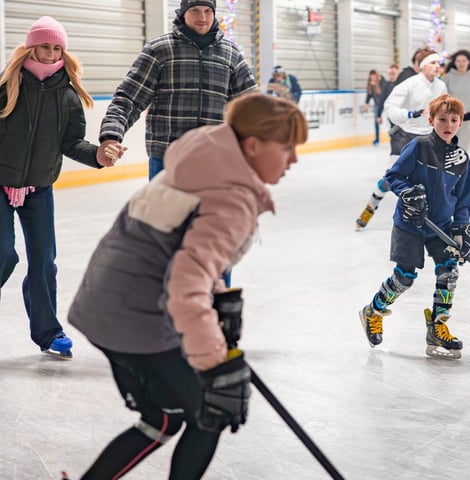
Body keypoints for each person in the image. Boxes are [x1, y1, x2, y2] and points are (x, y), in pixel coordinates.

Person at [67, 94, 308, 479]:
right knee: (209, 412)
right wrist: (216, 365)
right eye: (287, 148)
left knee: (162, 419)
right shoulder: (233, 198)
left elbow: (174, 246)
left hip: (102, 303)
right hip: (137, 319)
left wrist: (218, 299)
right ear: (252, 146)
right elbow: (185, 286)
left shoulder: (200, 164)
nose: (293, 159)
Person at [0, 16, 124, 360]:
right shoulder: (6, 86)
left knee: (44, 263)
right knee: (3, 254)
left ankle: (48, 332)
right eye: (44, 45)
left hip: (39, 189)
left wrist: (99, 155)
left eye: (56, 47)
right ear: (30, 47)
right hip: (0, 183)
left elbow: (72, 143)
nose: (49, 52)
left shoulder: (68, 95)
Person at [358, 94, 470, 360]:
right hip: (410, 223)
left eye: (453, 120)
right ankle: (372, 312)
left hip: (440, 227)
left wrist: (461, 229)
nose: (448, 124)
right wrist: (407, 191)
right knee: (404, 278)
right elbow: (393, 175)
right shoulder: (419, 146)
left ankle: (438, 326)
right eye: (442, 119)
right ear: (431, 120)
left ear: (460, 124)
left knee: (449, 272)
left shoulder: (461, 159)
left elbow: (463, 200)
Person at [98, 0, 258, 181]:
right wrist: (111, 135)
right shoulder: (160, 50)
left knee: (212, 210)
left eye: (207, 10)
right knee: (167, 209)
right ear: (183, 13)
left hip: (215, 156)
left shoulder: (231, 53)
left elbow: (250, 106)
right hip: (168, 155)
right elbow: (128, 99)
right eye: (195, 10)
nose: (202, 17)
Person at [354, 50, 446, 230]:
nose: (437, 66)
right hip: (403, 136)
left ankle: (430, 218)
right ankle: (369, 209)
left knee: (431, 180)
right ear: (423, 65)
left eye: (439, 63)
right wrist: (411, 114)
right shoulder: (409, 84)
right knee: (391, 179)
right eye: (433, 63)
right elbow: (390, 108)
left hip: (427, 136)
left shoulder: (440, 87)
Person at [365, 69, 385, 145]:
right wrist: (366, 103)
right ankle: (377, 138)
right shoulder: (370, 85)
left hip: (385, 103)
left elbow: (385, 89)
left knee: (391, 119)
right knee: (376, 120)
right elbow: (369, 95)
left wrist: (378, 82)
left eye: (374, 77)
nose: (373, 79)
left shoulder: (382, 82)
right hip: (377, 104)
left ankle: (396, 135)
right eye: (371, 77)